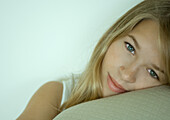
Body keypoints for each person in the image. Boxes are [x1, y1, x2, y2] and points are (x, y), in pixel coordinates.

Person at [17, 0, 170, 119]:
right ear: (113, 36)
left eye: (152, 72)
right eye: (130, 47)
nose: (127, 75)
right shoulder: (57, 94)